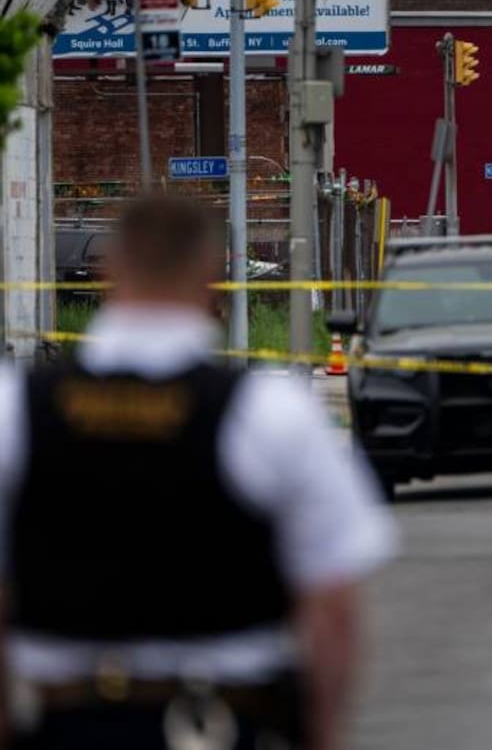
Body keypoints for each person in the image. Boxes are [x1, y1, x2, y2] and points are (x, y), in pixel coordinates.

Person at [0, 195, 394, 750]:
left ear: (108, 271)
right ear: (212, 280)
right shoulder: (269, 412)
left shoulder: (17, 411)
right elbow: (332, 606)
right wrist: (322, 735)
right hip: (222, 723)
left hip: (67, 722)